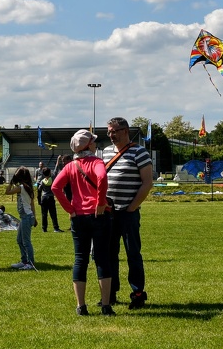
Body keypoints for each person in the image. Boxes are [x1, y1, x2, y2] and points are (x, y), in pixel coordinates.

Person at [52, 129, 114, 316]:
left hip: (78, 217)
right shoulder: (96, 162)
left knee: (81, 259)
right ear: (88, 145)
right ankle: (105, 306)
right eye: (93, 142)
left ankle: (81, 306)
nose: (96, 144)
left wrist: (70, 209)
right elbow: (102, 178)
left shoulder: (71, 166)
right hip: (98, 216)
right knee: (102, 258)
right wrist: (101, 202)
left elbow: (55, 187)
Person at [103, 116, 153, 310]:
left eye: (114, 131)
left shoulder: (139, 152)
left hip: (128, 213)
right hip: (108, 213)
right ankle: (111, 293)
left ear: (125, 131)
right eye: (109, 132)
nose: (111, 135)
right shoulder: (105, 152)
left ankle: (138, 293)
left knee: (133, 253)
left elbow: (147, 183)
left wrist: (131, 207)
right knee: (109, 254)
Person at [5, 166, 36, 270]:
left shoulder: (22, 187)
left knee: (26, 241)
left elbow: (7, 192)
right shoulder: (29, 187)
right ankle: (24, 261)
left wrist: (10, 182)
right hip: (27, 216)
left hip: (26, 217)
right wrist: (35, 218)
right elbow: (32, 205)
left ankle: (30, 263)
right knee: (19, 240)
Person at [37, 167, 62, 233]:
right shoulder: (52, 179)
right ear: (50, 173)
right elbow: (56, 171)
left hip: (44, 198)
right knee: (53, 214)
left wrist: (39, 200)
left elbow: (39, 190)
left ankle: (44, 228)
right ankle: (56, 228)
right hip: (50, 197)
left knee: (44, 214)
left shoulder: (42, 181)